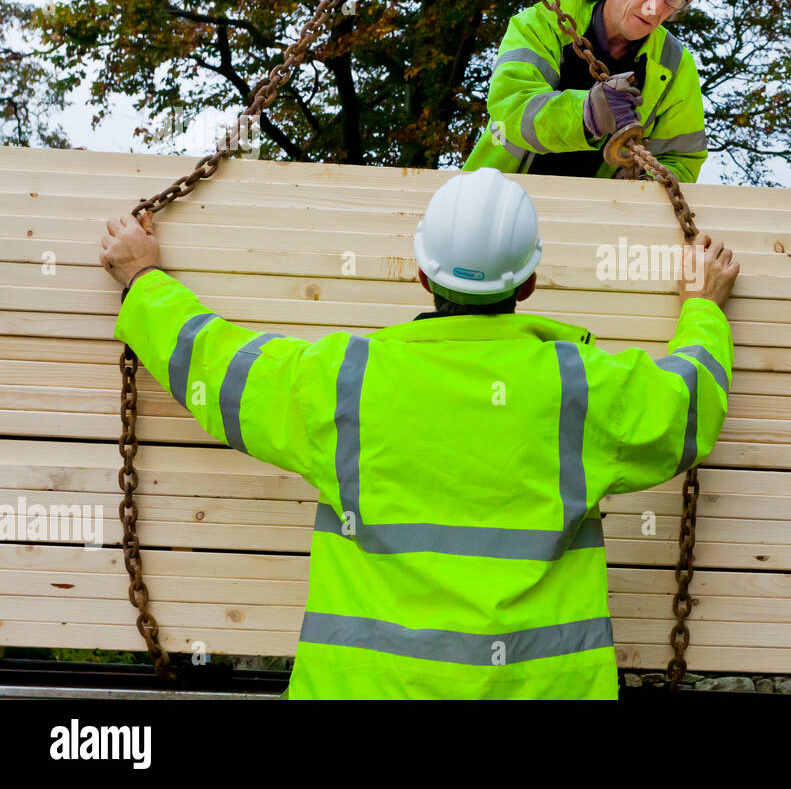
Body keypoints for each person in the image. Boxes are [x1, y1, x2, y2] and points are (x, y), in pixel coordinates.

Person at [98, 166, 739, 699]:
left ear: (422, 274)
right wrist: (702, 307)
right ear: (531, 282)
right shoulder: (582, 387)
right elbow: (688, 407)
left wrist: (144, 282)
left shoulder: (347, 380)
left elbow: (216, 368)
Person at [463, 0, 709, 181]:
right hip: (493, 196)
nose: (654, 7)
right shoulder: (540, 24)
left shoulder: (676, 66)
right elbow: (510, 108)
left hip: (594, 215)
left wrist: (648, 185)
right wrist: (586, 113)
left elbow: (683, 159)